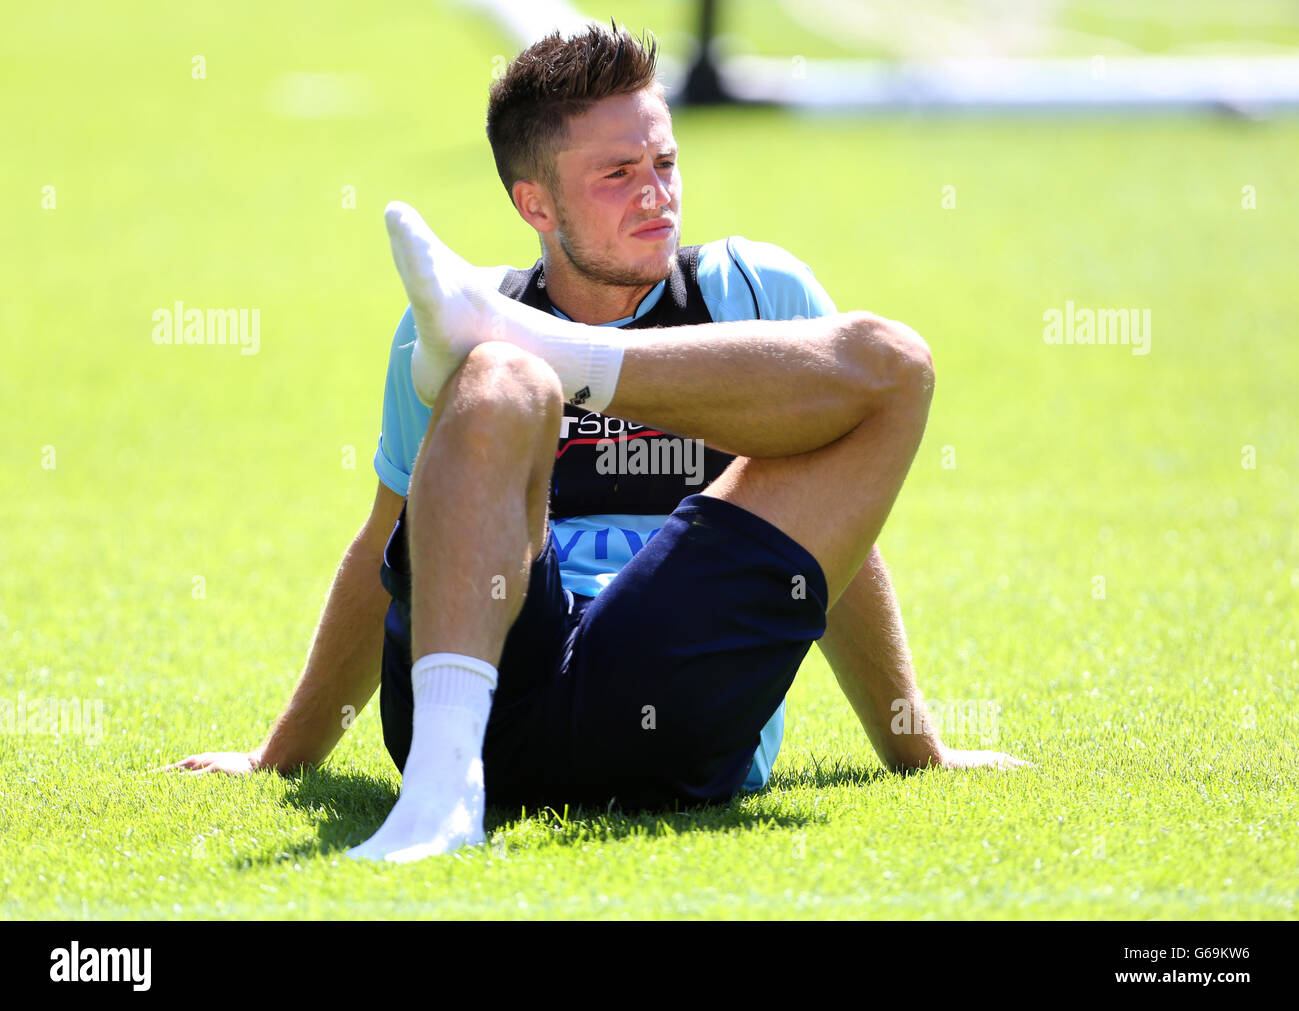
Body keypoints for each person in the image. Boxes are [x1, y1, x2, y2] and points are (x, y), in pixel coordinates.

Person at [161, 23, 1029, 863]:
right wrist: (280, 757)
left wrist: (921, 747)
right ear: (534, 202)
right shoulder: (446, 333)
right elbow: (387, 550)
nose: (656, 194)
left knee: (894, 363)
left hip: (671, 705)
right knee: (502, 381)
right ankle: (439, 796)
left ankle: (561, 354)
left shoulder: (752, 290)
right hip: (483, 705)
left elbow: (831, 547)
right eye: (618, 173)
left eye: (665, 162)